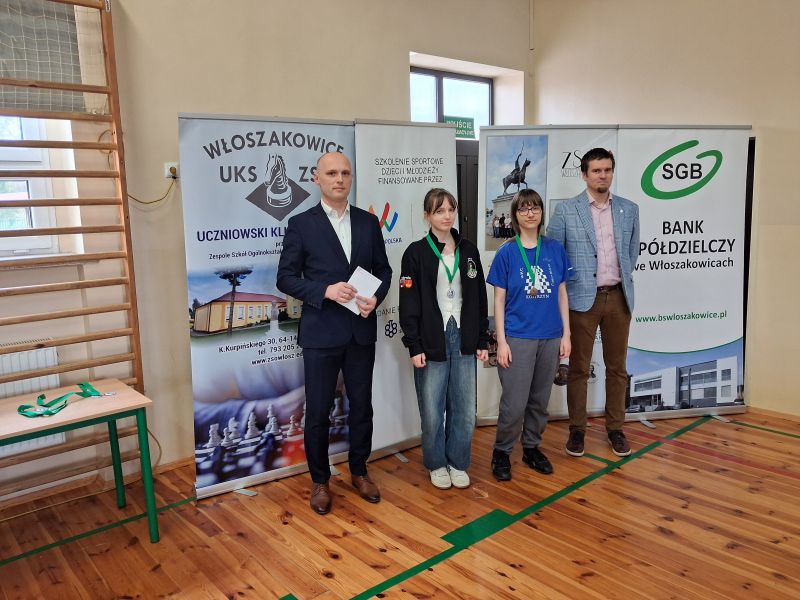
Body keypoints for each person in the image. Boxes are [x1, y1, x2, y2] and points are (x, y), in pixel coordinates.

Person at [276, 151, 392, 515]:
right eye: (331, 173)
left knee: (362, 407)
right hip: (321, 334)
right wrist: (324, 290)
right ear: (317, 178)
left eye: (344, 173)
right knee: (318, 412)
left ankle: (359, 471)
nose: (339, 179)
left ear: (351, 178)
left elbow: (384, 271)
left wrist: (375, 298)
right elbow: (285, 278)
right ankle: (320, 481)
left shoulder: (368, 223)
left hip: (360, 331)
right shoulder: (300, 224)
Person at [546, 147, 640, 458]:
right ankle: (577, 431)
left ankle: (616, 429)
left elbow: (632, 252)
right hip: (581, 300)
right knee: (578, 369)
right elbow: (554, 255)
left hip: (619, 298)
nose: (603, 175)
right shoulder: (566, 211)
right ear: (584, 174)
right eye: (597, 171)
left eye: (607, 170)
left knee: (617, 368)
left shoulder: (629, 209)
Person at [399, 188, 489, 490]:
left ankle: (458, 462)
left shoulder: (469, 250)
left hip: (464, 335)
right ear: (427, 216)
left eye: (451, 209)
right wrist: (414, 344)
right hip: (431, 338)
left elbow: (479, 297)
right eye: (439, 211)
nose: (447, 216)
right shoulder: (415, 253)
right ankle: (436, 462)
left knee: (464, 409)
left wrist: (481, 339)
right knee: (432, 410)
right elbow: (408, 302)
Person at [487, 189, 572, 481]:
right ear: (515, 215)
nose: (530, 213)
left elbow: (562, 294)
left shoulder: (555, 249)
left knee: (539, 400)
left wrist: (566, 334)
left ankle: (532, 447)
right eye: (523, 208)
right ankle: (502, 451)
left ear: (541, 212)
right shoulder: (507, 252)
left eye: (535, 207)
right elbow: (498, 300)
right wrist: (501, 341)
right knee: (514, 403)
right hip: (518, 337)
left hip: (550, 336)